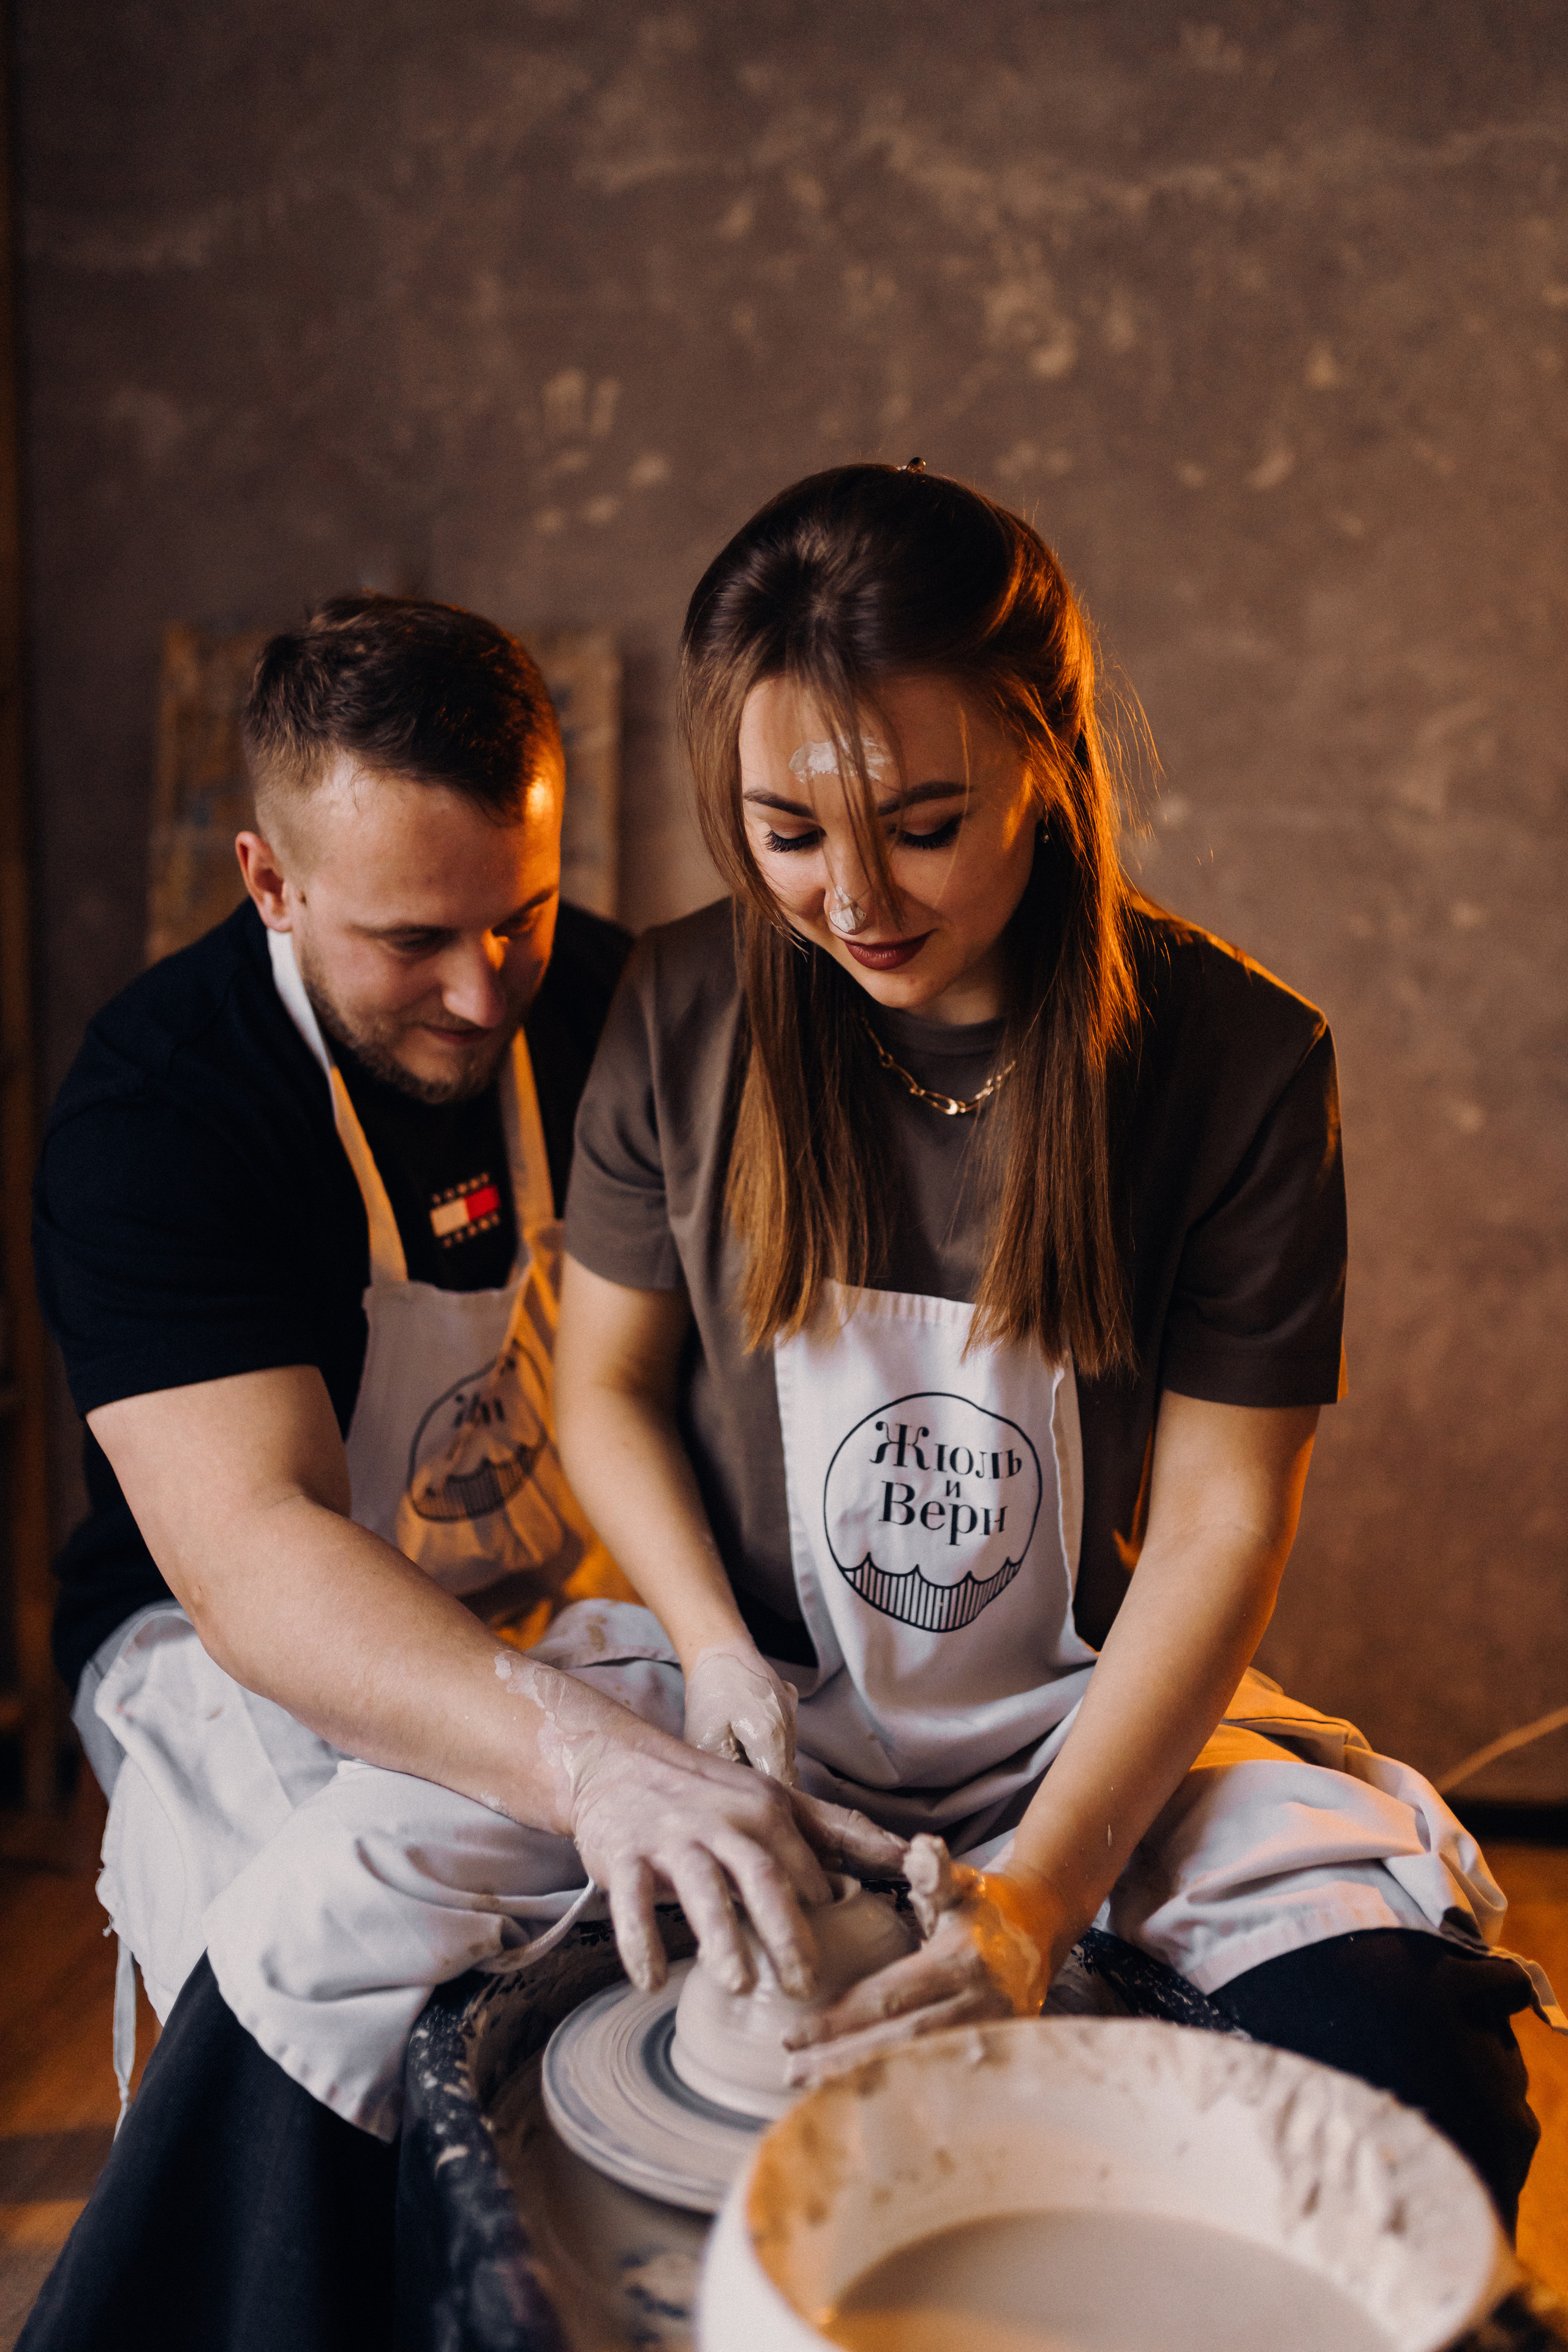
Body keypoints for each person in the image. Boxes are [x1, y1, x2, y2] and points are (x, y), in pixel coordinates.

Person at [551, 462, 1561, 2229]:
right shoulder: (678, 1006)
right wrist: (712, 1662)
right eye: (788, 833)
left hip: (1078, 1720)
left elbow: (1226, 1520)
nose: (853, 897)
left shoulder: (1237, 1061)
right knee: (355, 1935)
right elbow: (607, 1390)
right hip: (751, 1697)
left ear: (1049, 754)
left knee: (1408, 2056)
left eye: (923, 824)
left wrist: (1035, 1901)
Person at [27, 594, 901, 2352]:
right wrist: (593, 1763)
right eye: (413, 938)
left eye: (519, 914)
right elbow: (254, 1552)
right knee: (326, 1962)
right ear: (271, 883)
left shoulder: (611, 1004)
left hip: (546, 1579)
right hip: (224, 1638)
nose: (484, 987)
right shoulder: (161, 1106)